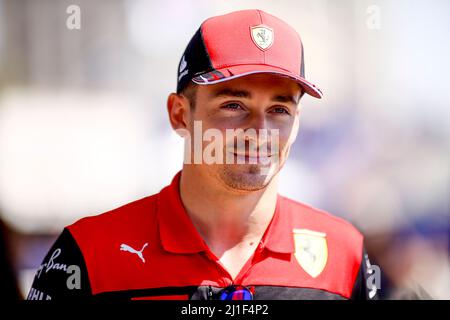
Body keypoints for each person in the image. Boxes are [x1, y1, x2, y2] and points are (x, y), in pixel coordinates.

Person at [27, 9, 378, 300]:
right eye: (233, 105)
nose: (259, 130)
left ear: (297, 122)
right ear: (180, 115)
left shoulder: (343, 255)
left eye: (279, 109)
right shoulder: (89, 253)